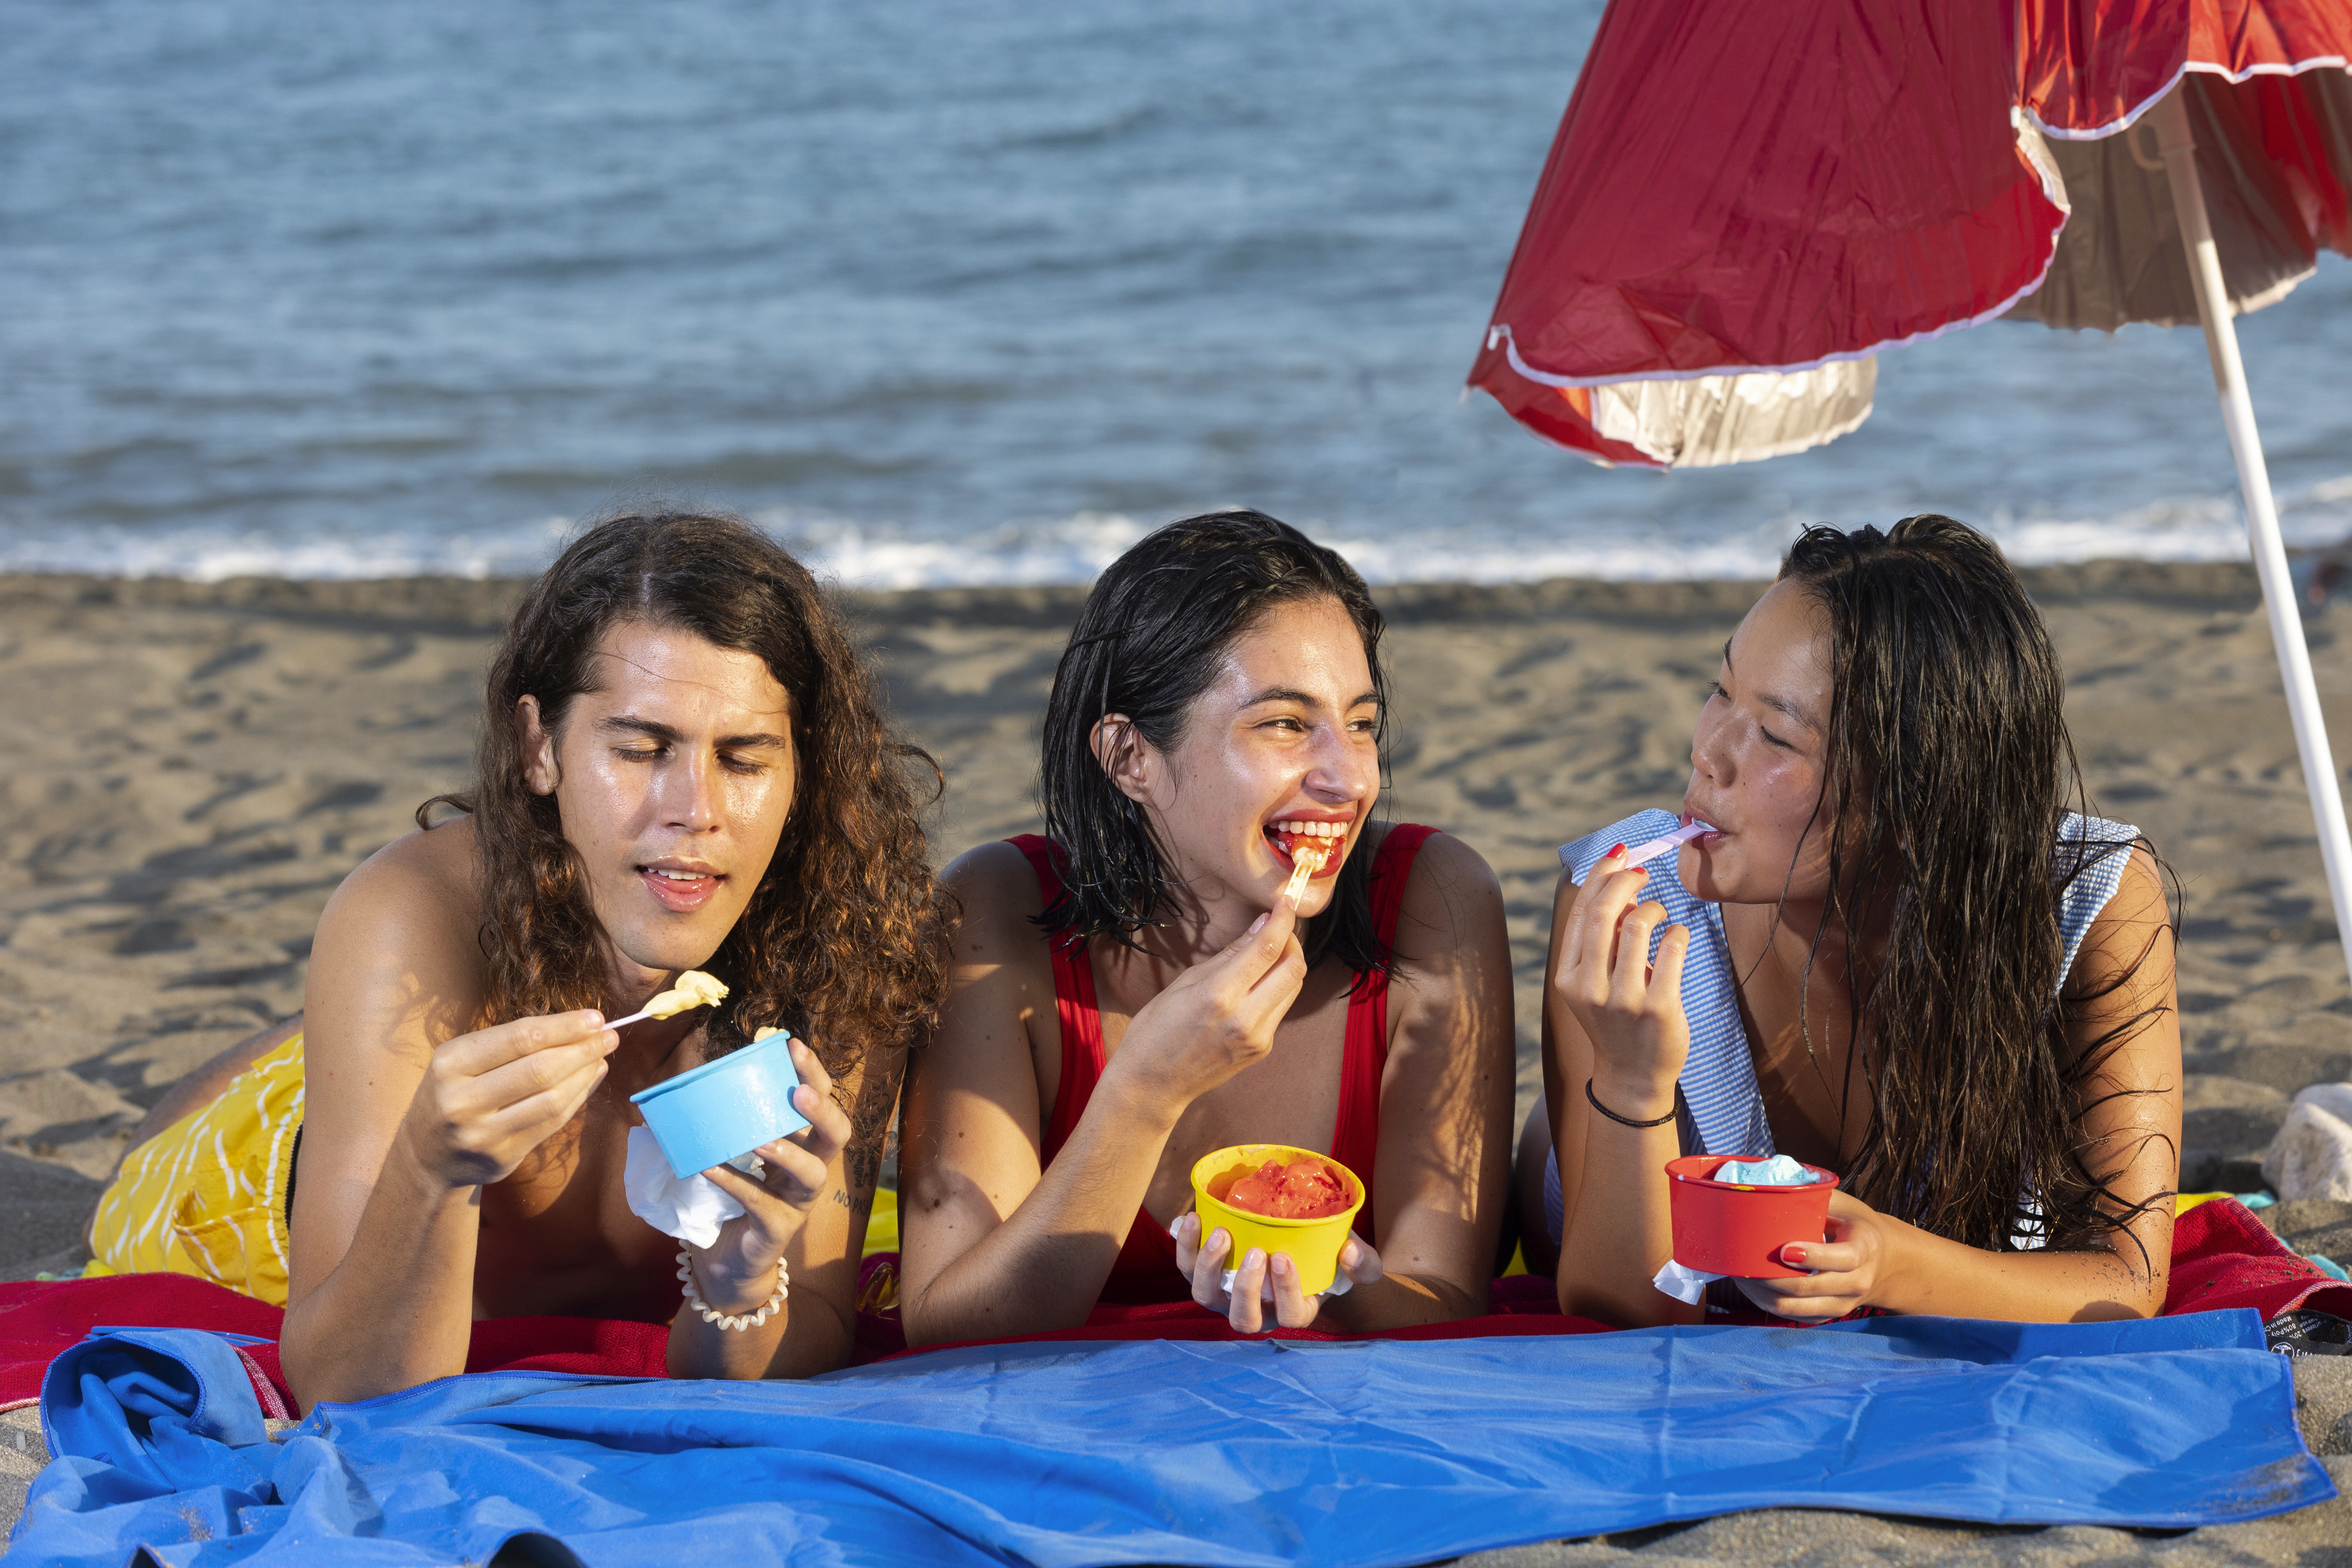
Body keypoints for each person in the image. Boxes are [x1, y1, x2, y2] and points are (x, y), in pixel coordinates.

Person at [87, 511, 951, 1400]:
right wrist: (427, 1167)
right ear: (540, 746)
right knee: (164, 1161)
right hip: (257, 1187)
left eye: (744, 759)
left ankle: (311, 1035)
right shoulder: (416, 912)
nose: (695, 810)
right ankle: (301, 1047)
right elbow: (342, 1390)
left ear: (803, 769)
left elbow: (799, 1333)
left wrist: (741, 1291)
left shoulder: (846, 942)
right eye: (641, 748)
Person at [1516, 515, 2181, 1326]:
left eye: (1774, 734)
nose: (1709, 753)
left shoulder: (2084, 904)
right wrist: (1631, 1078)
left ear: (1913, 799)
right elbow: (1620, 1314)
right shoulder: (1627, 903)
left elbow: (2124, 1281)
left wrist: (1890, 1266)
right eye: (1720, 690)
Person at [896, 510, 1515, 1343]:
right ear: (1129, 758)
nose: (1351, 779)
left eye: (1361, 723)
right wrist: (1144, 1091)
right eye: (1286, 725)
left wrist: (1333, 1293)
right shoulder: (996, 913)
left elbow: (1441, 1294)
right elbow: (949, 1325)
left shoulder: (1432, 898)